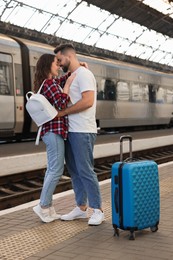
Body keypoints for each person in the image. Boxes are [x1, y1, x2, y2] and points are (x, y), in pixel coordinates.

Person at [54, 43, 104, 226]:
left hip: (83, 130)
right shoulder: (72, 75)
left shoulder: (84, 75)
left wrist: (63, 113)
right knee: (75, 171)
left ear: (69, 57)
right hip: (71, 130)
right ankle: (81, 207)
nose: (58, 64)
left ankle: (97, 209)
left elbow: (88, 101)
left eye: (60, 60)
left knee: (85, 170)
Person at [32, 53, 75, 223]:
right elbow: (61, 103)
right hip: (54, 131)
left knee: (52, 169)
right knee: (56, 170)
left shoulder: (49, 83)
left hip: (51, 132)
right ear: (47, 66)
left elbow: (60, 81)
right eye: (55, 64)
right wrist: (69, 84)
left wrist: (70, 75)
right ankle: (42, 206)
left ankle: (48, 207)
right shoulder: (49, 83)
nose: (58, 66)